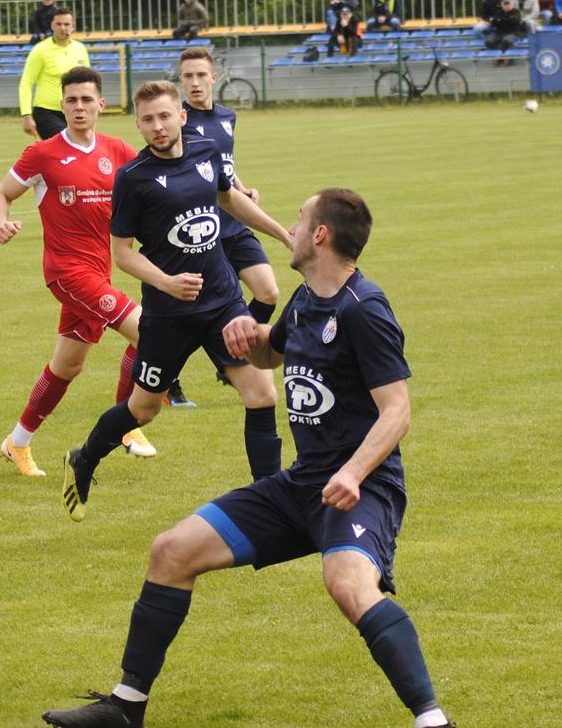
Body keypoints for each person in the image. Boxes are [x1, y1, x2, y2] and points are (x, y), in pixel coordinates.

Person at [43, 188, 455, 728]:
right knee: (171, 551)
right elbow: (270, 352)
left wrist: (354, 473)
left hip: (363, 487)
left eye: (301, 219)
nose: (292, 225)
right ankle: (126, 708)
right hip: (302, 484)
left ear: (321, 236)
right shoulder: (308, 298)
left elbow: (396, 410)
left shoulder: (363, 309)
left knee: (349, 585)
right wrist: (248, 337)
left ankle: (432, 720)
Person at [60, 80, 294, 522]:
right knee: (143, 409)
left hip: (223, 302)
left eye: (165, 116)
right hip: (169, 315)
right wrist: (166, 283)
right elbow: (123, 253)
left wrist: (282, 233)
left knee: (262, 394)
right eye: (147, 119)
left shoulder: (207, 152)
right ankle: (85, 458)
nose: (158, 126)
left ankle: (272, 502)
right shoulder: (132, 178)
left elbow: (229, 200)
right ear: (138, 125)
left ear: (181, 116)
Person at [0, 67, 154, 477]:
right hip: (67, 272)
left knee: (67, 366)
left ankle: (17, 442)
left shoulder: (118, 151)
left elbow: (156, 183)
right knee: (147, 331)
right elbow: (1, 193)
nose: (78, 107)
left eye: (86, 100)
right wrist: (0, 222)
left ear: (101, 104)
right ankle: (127, 425)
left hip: (100, 272)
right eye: (71, 100)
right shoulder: (43, 153)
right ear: (61, 106)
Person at [178, 46, 281, 407]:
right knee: (188, 317)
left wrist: (242, 188)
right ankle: (170, 378)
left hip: (234, 224)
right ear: (181, 80)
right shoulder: (177, 122)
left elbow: (225, 165)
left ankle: (233, 353)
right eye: (187, 76)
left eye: (200, 75)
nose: (194, 82)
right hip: (203, 231)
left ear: (213, 78)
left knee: (268, 292)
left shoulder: (227, 117)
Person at [21, 8, 92, 139]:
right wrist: (26, 115)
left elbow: (89, 84)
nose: (63, 28)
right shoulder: (40, 50)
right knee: (67, 145)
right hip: (47, 112)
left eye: (66, 24)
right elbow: (26, 82)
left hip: (75, 111)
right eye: (58, 24)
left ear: (73, 26)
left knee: (75, 153)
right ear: (52, 25)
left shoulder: (80, 49)